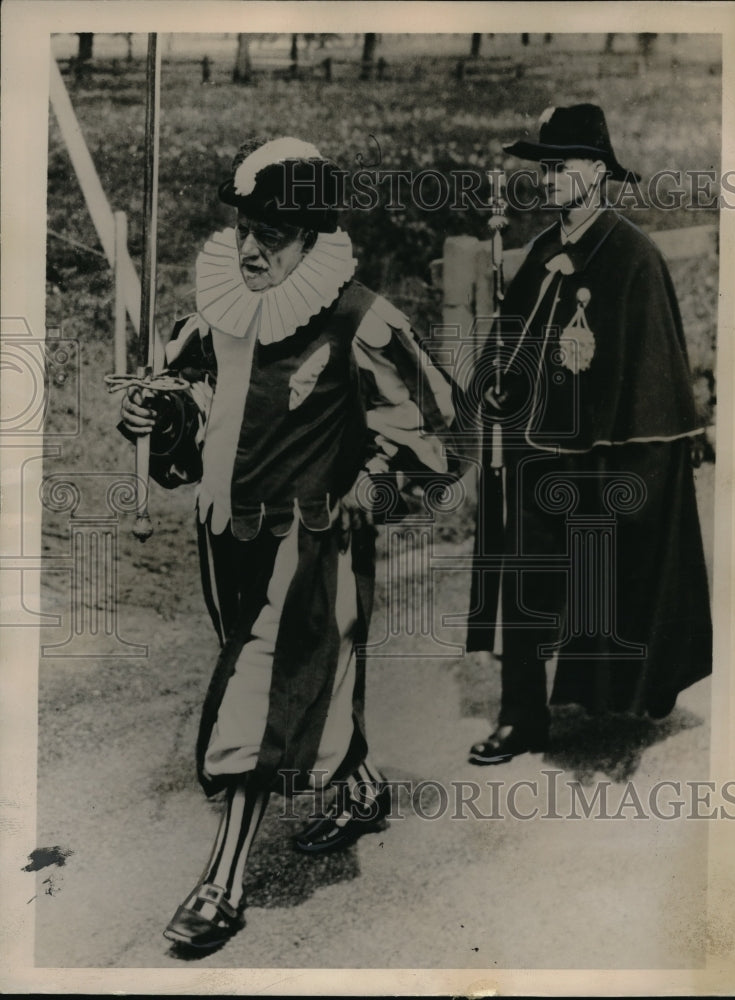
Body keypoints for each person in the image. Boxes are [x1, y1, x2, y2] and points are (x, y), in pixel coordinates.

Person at [119, 136, 459, 948]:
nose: (249, 245)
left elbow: (436, 433)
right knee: (296, 685)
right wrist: (157, 417)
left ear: (311, 236)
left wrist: (360, 495)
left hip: (312, 553)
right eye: (244, 225)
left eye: (271, 230)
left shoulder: (358, 320)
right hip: (227, 544)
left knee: (258, 698)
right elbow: (196, 410)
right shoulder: (218, 317)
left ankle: (221, 885)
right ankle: (361, 788)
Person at [465, 104, 712, 765]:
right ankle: (522, 718)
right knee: (523, 576)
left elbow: (656, 386)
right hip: (538, 457)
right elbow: (510, 348)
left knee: (613, 588)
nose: (546, 177)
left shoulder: (633, 255)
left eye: (560, 165)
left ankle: (627, 697)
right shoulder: (546, 250)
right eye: (542, 165)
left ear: (597, 172)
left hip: (602, 464)